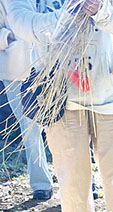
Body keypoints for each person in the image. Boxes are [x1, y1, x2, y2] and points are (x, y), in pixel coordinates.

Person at [8, 0, 113, 212]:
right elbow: (22, 23)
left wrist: (100, 9)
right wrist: (70, 11)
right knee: (72, 180)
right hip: (58, 96)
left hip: (111, 92)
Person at [0, 0, 53, 201]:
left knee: (66, 121)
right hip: (15, 69)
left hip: (52, 65)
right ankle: (41, 184)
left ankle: (83, 181)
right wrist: (10, 38)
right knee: (29, 125)